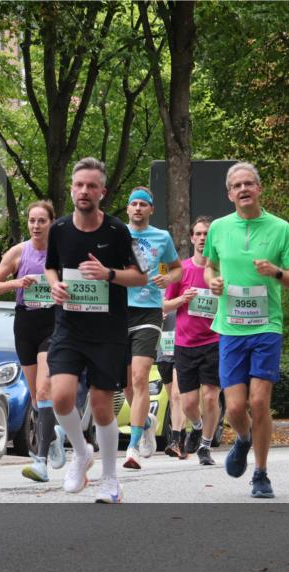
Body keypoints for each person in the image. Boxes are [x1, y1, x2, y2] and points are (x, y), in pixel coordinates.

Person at [44, 158, 147, 504]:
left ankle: (110, 480)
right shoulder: (58, 229)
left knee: (103, 407)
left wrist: (108, 274)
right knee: (60, 396)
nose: (84, 191)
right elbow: (50, 269)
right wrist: (55, 286)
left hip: (108, 331)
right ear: (71, 189)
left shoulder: (118, 232)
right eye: (79, 185)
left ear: (102, 191)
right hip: (70, 328)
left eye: (91, 186)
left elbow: (141, 276)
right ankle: (80, 452)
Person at [204, 162, 289, 498]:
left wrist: (276, 272)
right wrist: (213, 283)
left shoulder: (280, 229)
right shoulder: (218, 228)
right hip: (231, 328)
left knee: (259, 402)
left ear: (259, 188)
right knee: (234, 408)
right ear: (229, 193)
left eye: (249, 183)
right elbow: (209, 268)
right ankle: (244, 439)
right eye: (237, 185)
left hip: (266, 327)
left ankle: (261, 474)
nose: (244, 189)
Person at [0, 201, 67, 483]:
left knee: (45, 391)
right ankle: (52, 438)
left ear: (51, 223)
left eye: (41, 221)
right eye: (32, 221)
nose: (35, 226)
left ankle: (40, 460)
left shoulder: (62, 251)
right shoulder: (19, 252)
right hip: (25, 323)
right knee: (35, 395)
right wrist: (16, 284)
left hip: (53, 323)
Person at [122, 187, 182, 470]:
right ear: (127, 209)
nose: (137, 208)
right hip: (119, 312)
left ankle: (132, 448)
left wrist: (167, 278)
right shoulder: (117, 234)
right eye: (133, 204)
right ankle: (144, 421)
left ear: (151, 210)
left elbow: (177, 269)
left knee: (139, 377)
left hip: (149, 311)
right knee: (125, 384)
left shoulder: (162, 237)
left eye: (142, 204)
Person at [164, 216, 222, 465]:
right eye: (198, 234)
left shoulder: (221, 271)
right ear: (191, 238)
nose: (202, 238)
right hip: (185, 344)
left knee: (210, 397)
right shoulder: (182, 270)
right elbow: (164, 305)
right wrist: (182, 300)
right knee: (188, 403)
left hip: (215, 341)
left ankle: (205, 447)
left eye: (207, 234)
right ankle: (197, 427)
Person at [156, 310, 186, 458]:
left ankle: (174, 440)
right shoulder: (157, 292)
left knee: (176, 396)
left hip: (183, 349)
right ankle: (184, 437)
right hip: (163, 350)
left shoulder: (187, 290)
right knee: (174, 401)